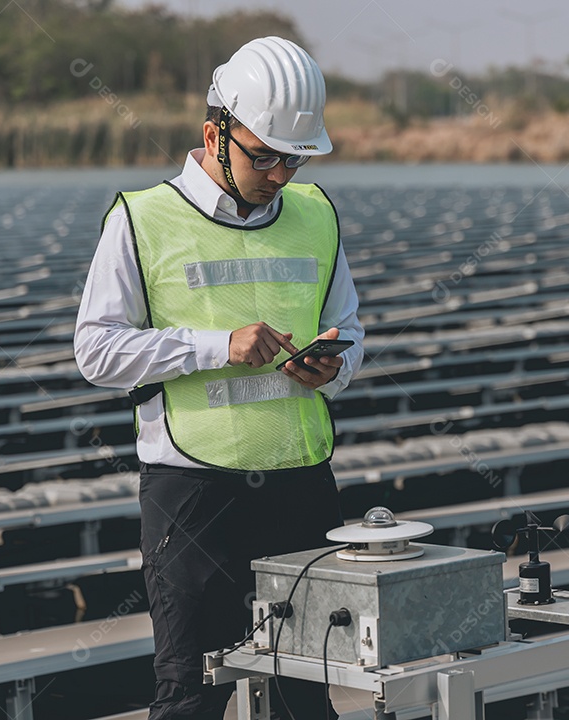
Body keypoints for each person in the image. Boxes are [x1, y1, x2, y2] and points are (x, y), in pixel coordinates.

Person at [74, 35, 363, 720]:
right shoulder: (142, 220)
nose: (281, 175)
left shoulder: (317, 215)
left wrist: (333, 367)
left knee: (305, 691)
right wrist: (214, 346)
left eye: (294, 157)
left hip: (301, 484)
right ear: (215, 132)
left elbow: (350, 332)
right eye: (265, 156)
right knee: (191, 696)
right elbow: (97, 352)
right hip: (194, 494)